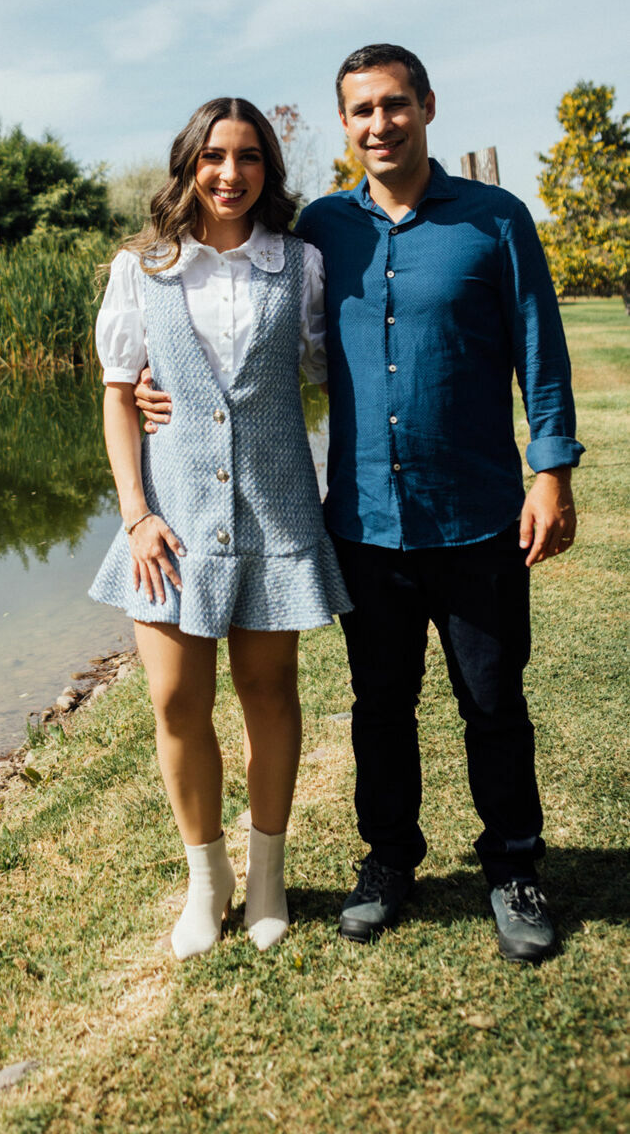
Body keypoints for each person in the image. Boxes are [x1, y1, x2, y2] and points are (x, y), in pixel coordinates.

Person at [138, 47, 581, 964]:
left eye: (393, 105)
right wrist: (154, 379)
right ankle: (388, 862)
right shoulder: (321, 237)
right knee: (381, 705)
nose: (378, 124)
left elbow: (539, 353)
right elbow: (237, 329)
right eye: (359, 111)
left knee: (492, 702)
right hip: (363, 523)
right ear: (343, 126)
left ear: (424, 106)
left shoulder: (494, 220)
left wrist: (550, 472)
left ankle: (512, 867)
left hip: (477, 513)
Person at [89, 96, 351, 960]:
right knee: (174, 701)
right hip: (172, 524)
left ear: (267, 171)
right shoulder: (143, 269)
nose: (228, 174)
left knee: (270, 695)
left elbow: (326, 373)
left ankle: (267, 876)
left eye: (246, 157)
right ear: (188, 166)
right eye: (212, 157)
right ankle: (208, 884)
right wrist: (135, 515)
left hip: (273, 514)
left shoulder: (302, 265)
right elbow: (120, 394)